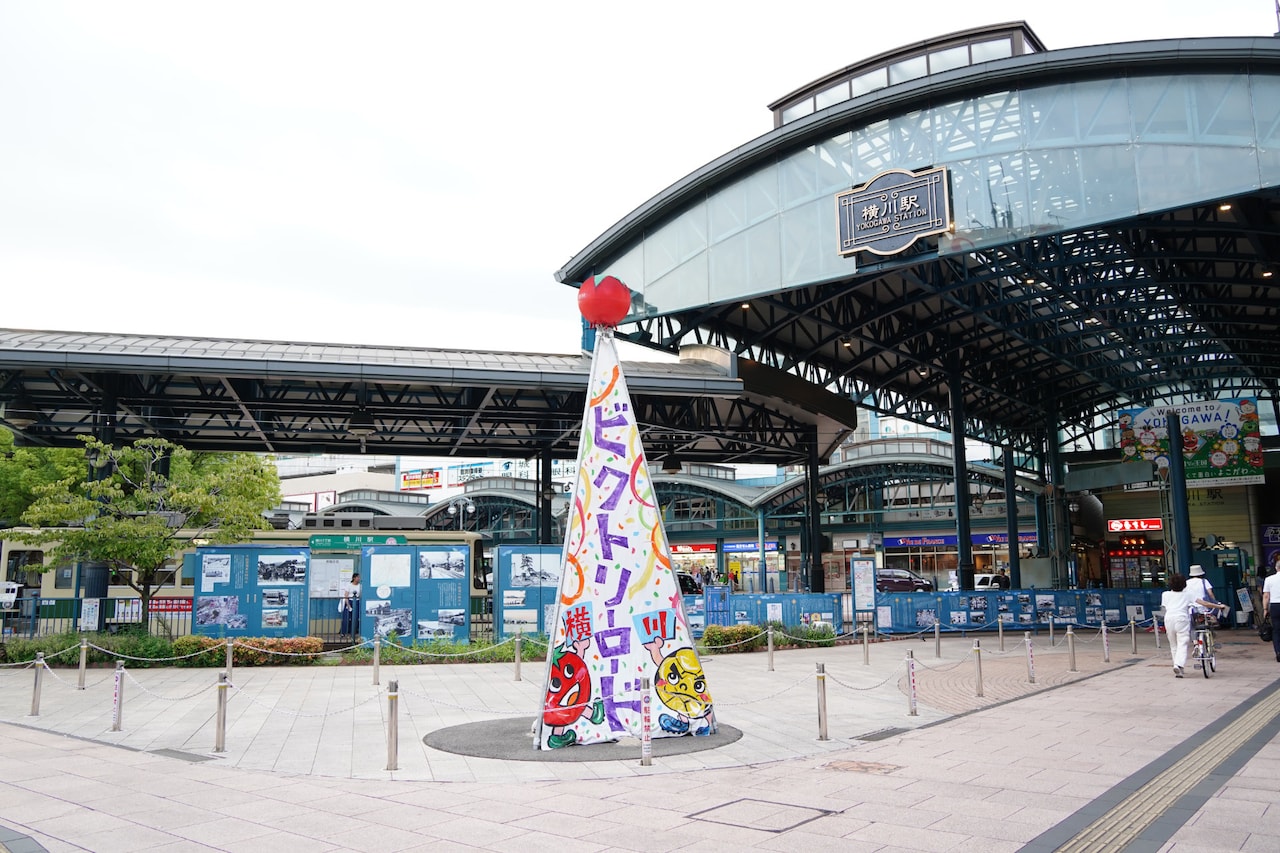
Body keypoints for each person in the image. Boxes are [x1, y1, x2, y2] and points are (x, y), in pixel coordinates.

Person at [1161, 572, 1227, 677]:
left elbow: (1164, 607)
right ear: (1184, 584)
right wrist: (1219, 606)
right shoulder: (1188, 594)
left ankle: (1177, 667)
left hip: (1169, 619)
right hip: (1182, 619)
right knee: (1182, 643)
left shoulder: (1165, 594)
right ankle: (1178, 665)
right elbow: (1205, 603)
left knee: (1173, 645)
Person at [1263, 567, 1280, 662]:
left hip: (1275, 605)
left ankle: (1278, 651)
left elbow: (1266, 596)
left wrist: (1265, 609)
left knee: (1276, 630)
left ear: (1276, 568)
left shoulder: (1269, 579)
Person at [339, 572, 361, 637]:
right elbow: (346, 595)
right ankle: (343, 632)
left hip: (357, 602)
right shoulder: (349, 585)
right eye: (357, 577)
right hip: (349, 601)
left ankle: (353, 633)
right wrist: (348, 605)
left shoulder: (360, 586)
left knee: (355, 618)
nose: (358, 578)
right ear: (354, 578)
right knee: (346, 618)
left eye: (359, 577)